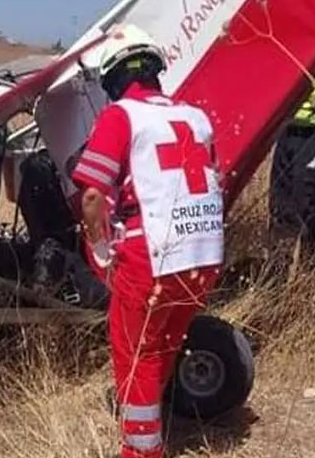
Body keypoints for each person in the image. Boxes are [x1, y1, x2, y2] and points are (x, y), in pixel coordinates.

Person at [70, 24, 224, 458]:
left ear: (114, 80)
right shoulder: (196, 117)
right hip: (203, 253)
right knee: (164, 344)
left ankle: (141, 450)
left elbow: (95, 194)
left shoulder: (120, 117)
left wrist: (100, 250)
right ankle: (151, 423)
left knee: (136, 353)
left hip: (151, 253)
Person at [269, 72, 315, 248]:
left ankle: (312, 267)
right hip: (288, 130)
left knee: (309, 207)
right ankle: (277, 268)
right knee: (280, 204)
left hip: (314, 133)